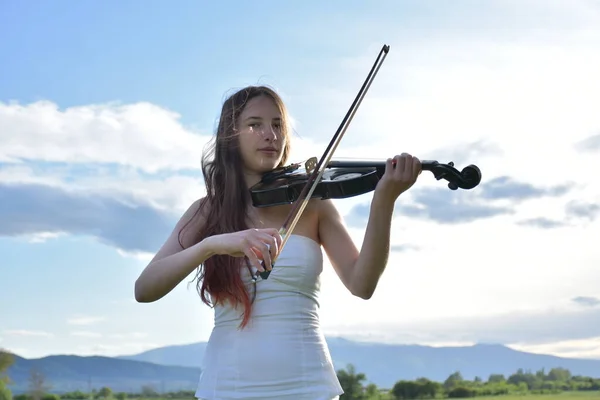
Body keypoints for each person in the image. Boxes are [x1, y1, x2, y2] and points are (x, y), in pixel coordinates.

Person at [134, 85, 422, 399]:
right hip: (228, 387)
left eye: (277, 125)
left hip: (309, 386)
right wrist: (211, 245)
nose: (270, 134)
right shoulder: (207, 211)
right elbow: (145, 289)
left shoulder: (313, 205)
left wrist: (384, 200)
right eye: (255, 124)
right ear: (231, 137)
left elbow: (362, 284)